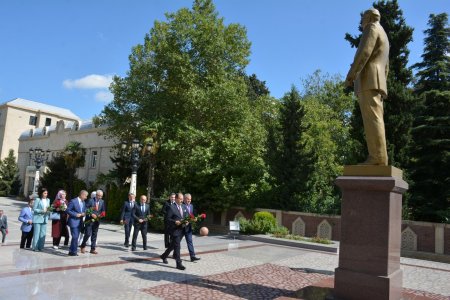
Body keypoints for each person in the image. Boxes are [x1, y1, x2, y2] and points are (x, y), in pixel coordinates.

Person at [345, 8, 389, 166]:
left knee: (372, 120)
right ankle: (379, 157)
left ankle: (377, 158)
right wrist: (383, 84)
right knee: (376, 119)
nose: (361, 21)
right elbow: (386, 67)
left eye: (363, 17)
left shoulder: (371, 28)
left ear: (370, 17)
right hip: (377, 81)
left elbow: (363, 53)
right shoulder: (383, 33)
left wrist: (351, 75)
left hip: (368, 80)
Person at [160, 193, 188, 270]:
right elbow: (167, 219)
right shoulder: (171, 207)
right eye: (180, 199)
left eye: (182, 199)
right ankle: (179, 263)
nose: (182, 200)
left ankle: (164, 256)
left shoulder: (183, 206)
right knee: (177, 246)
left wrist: (187, 221)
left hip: (182, 230)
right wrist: (175, 222)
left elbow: (186, 216)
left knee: (173, 245)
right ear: (176, 199)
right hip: (174, 230)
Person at [80, 189, 105, 254]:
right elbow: (86, 209)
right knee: (88, 234)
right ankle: (83, 245)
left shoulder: (102, 201)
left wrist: (101, 215)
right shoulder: (90, 200)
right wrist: (91, 214)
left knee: (94, 234)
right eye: (99, 196)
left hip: (97, 220)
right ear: (96, 195)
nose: (100, 197)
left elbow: (103, 210)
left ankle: (92, 249)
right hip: (89, 220)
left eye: (101, 196)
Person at [67, 190, 88, 256]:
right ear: (82, 194)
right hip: (73, 221)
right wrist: (75, 214)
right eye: (85, 196)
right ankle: (74, 251)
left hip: (80, 222)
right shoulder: (73, 201)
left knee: (75, 237)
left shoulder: (84, 202)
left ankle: (71, 251)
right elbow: (68, 210)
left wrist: (84, 213)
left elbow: (84, 210)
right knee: (75, 237)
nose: (86, 197)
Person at [183, 193, 200, 262]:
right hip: (181, 227)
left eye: (190, 199)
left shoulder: (191, 206)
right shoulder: (181, 206)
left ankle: (192, 256)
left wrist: (194, 218)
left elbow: (192, 215)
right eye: (188, 199)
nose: (189, 201)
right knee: (176, 242)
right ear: (184, 199)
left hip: (188, 227)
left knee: (190, 241)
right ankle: (169, 254)